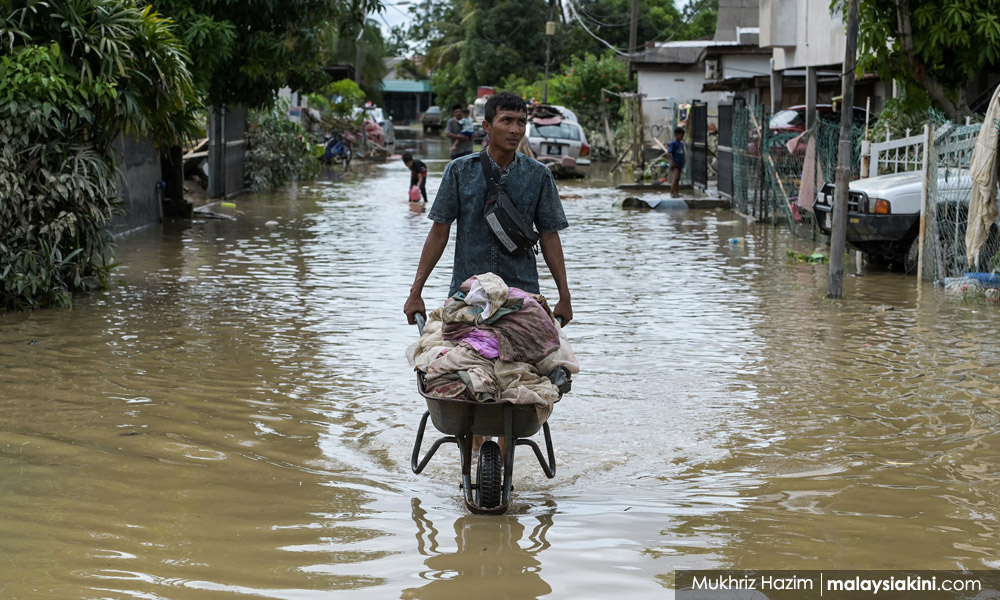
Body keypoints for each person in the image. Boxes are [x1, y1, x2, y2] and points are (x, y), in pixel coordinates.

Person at [404, 91, 573, 327]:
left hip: (521, 296)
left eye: (521, 122)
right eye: (506, 120)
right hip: (468, 295)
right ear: (487, 126)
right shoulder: (459, 171)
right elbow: (438, 232)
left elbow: (550, 237)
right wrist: (415, 292)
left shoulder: (539, 175)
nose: (515, 129)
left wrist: (565, 296)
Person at [668, 126, 686, 197]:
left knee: (678, 179)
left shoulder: (681, 144)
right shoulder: (673, 143)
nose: (682, 137)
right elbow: (669, 153)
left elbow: (682, 153)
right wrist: (672, 161)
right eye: (681, 135)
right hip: (675, 164)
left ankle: (676, 193)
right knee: (675, 178)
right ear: (677, 134)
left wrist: (684, 159)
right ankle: (672, 193)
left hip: (680, 163)